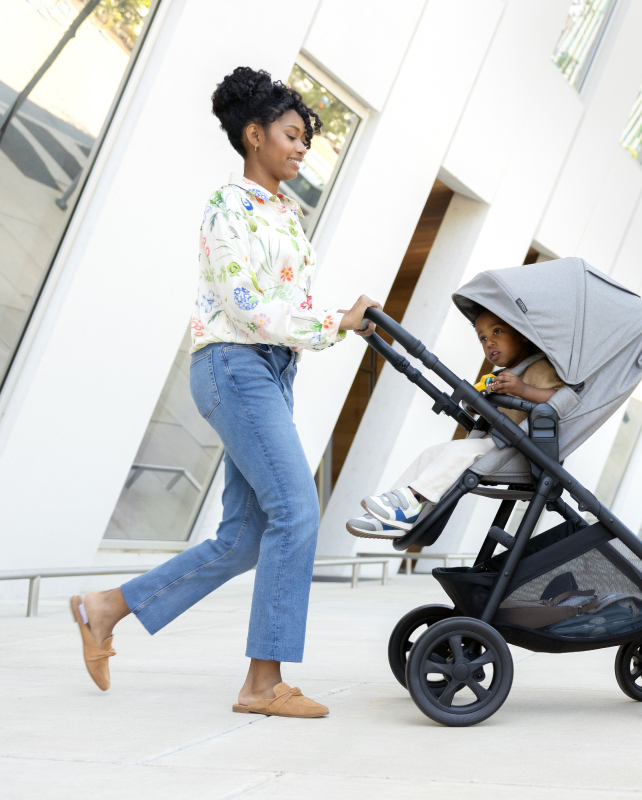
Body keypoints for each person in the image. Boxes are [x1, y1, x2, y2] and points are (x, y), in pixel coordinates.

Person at [69, 67, 380, 719]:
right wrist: (334, 324)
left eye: (307, 139)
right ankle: (262, 684)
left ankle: (105, 608)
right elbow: (247, 308)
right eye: (292, 136)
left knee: (244, 539)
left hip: (271, 371)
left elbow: (281, 304)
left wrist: (332, 321)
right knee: (298, 510)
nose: (302, 148)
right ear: (253, 134)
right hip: (234, 364)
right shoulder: (227, 206)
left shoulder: (286, 214)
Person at [347, 309, 563, 536]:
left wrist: (523, 390)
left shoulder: (542, 366)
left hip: (520, 450)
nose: (489, 343)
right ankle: (393, 514)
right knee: (432, 453)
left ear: (523, 333)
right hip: (496, 442)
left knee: (460, 449)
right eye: (483, 338)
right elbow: (477, 405)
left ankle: (411, 503)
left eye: (497, 331)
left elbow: (561, 401)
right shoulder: (501, 375)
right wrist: (479, 398)